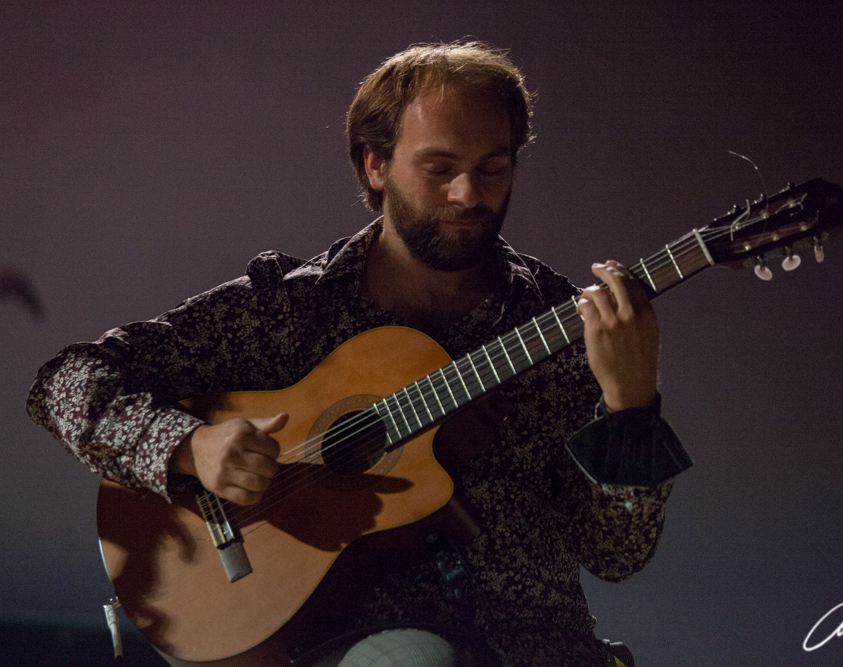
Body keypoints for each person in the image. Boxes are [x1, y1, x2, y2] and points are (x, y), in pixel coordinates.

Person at [27, 42, 691, 667]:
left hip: (536, 647)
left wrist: (632, 405)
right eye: (440, 168)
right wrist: (188, 447)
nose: (468, 193)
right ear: (375, 166)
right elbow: (65, 383)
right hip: (338, 643)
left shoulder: (557, 320)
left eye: (493, 166)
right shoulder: (289, 309)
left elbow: (616, 551)